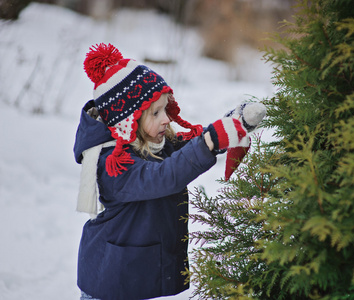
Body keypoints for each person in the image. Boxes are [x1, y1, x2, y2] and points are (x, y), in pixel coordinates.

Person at [73, 43, 265, 300]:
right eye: (156, 113)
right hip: (111, 283)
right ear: (129, 121)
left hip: (133, 276)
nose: (166, 118)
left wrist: (228, 127)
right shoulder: (112, 164)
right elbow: (162, 177)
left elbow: (187, 150)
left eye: (166, 108)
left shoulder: (153, 143)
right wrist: (208, 142)